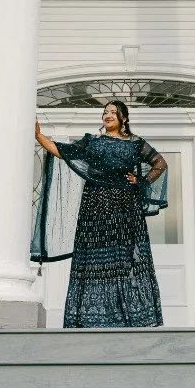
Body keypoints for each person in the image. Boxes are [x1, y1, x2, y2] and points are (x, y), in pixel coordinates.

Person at [33, 100, 168, 328]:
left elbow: (160, 163)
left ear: (124, 118)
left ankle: (128, 318)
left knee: (124, 263)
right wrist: (39, 137)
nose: (108, 115)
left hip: (126, 212)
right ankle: (89, 319)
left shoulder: (135, 144)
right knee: (93, 263)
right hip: (93, 212)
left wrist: (142, 181)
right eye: (105, 112)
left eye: (113, 112)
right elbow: (63, 152)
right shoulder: (92, 142)